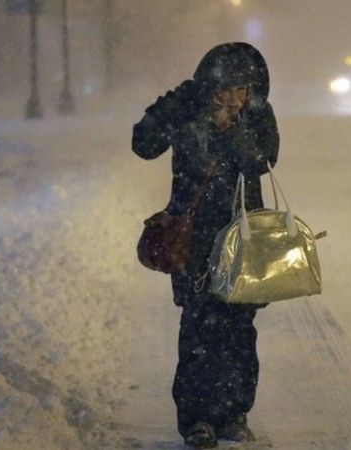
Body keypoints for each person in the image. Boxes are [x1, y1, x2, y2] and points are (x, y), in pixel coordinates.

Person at [131, 42, 279, 449]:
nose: (233, 100)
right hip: (193, 237)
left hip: (242, 237)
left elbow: (264, 160)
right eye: (223, 92)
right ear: (207, 88)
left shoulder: (255, 115)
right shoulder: (187, 109)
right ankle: (197, 420)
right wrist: (177, 109)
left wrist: (232, 131)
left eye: (241, 91)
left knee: (238, 329)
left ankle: (234, 414)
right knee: (198, 327)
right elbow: (143, 145)